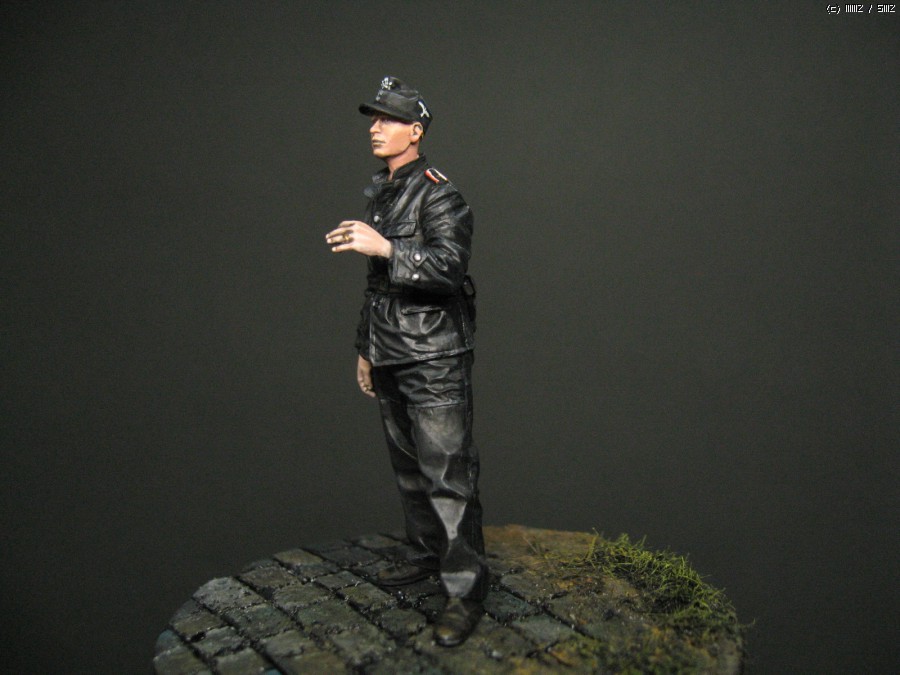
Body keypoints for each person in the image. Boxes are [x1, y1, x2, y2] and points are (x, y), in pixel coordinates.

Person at [325, 76, 486, 647]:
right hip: (391, 348)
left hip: (434, 353)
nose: (375, 128)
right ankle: (427, 554)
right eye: (373, 119)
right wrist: (366, 348)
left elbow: (448, 267)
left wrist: (388, 247)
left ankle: (466, 591)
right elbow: (378, 287)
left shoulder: (440, 194)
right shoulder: (386, 192)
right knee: (410, 469)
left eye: (388, 119)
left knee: (448, 474)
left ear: (415, 131)